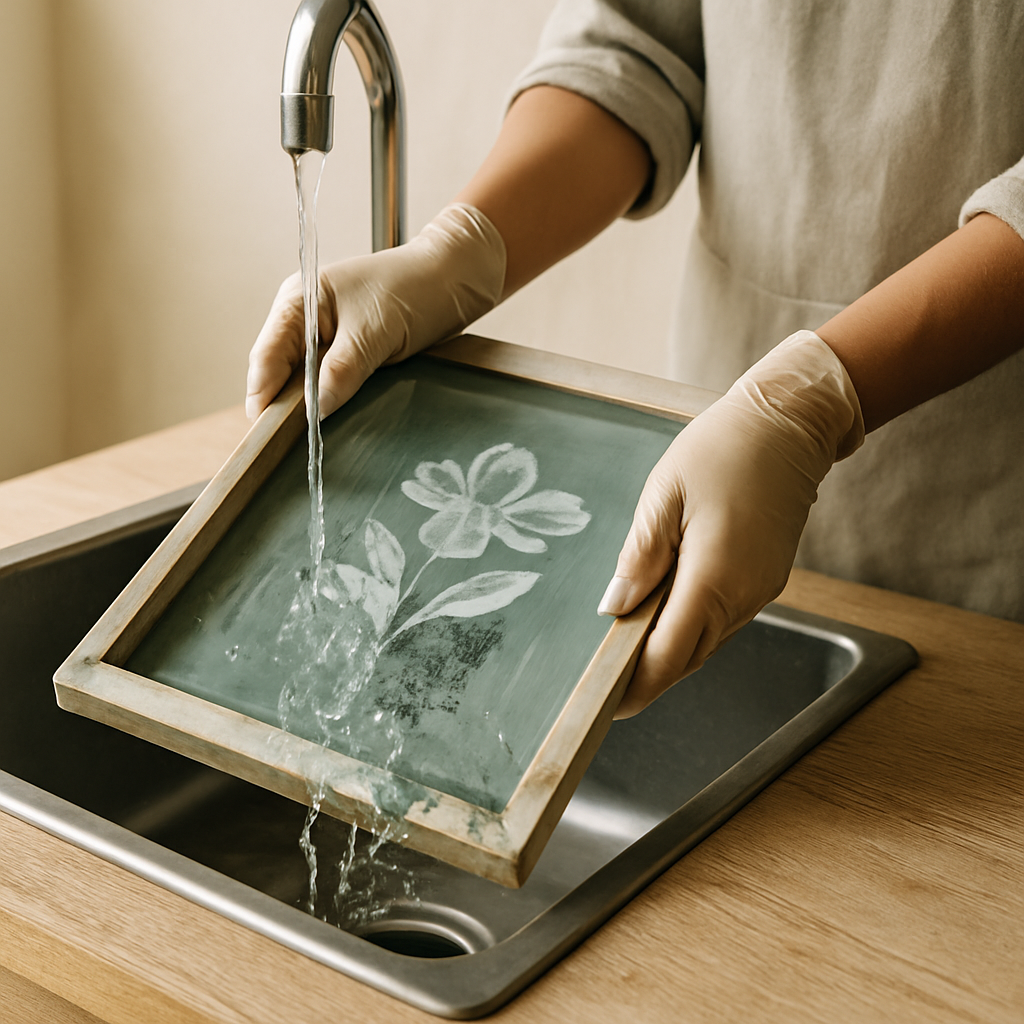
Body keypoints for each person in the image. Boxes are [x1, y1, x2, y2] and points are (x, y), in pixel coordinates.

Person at [247, 1, 1024, 719]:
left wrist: (810, 403)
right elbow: (638, 43)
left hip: (987, 529)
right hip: (715, 454)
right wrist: (459, 252)